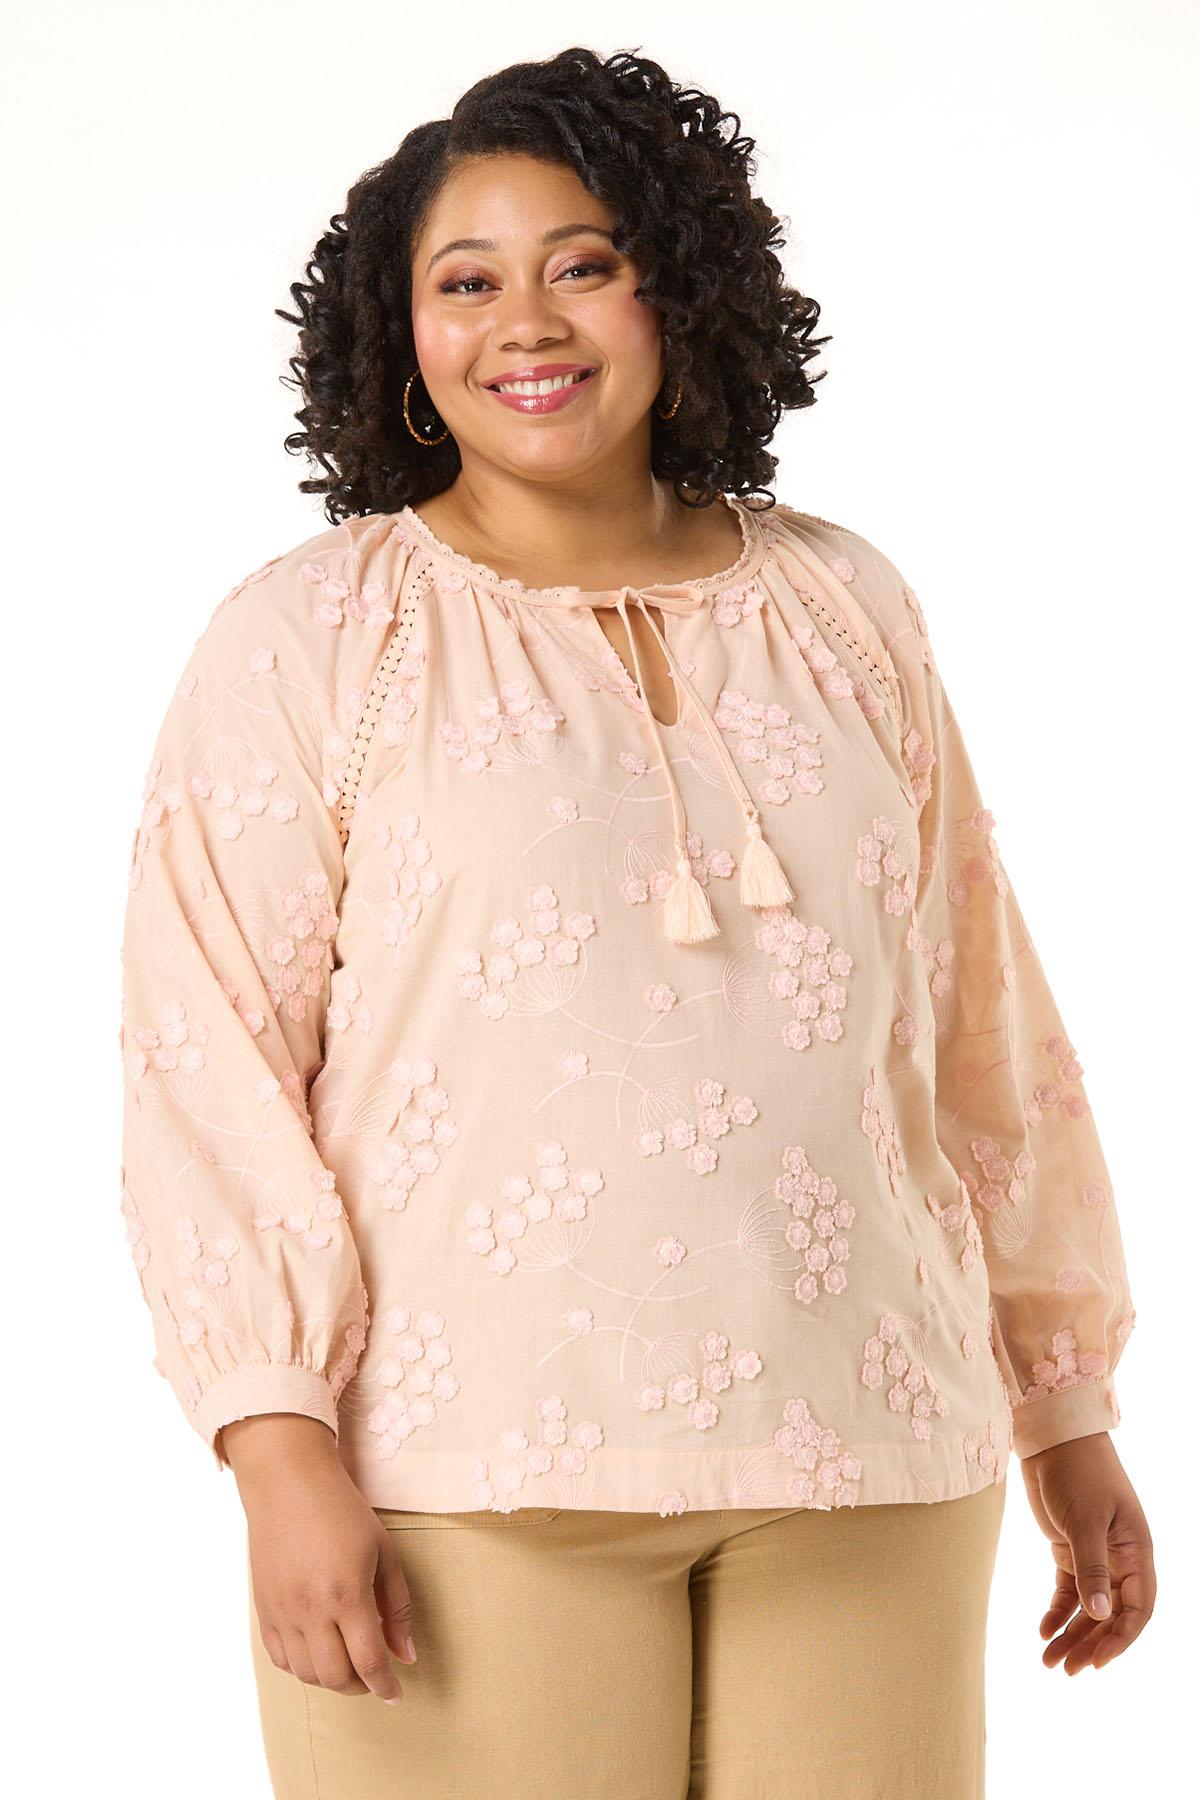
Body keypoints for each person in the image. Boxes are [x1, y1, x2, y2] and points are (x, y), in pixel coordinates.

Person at [118, 44, 1155, 1800]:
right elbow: (202, 1056)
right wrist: (275, 1446)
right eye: (468, 282)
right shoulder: (316, 639)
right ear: (401, 331)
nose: (527, 323)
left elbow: (977, 1013)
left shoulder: (843, 604)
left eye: (583, 264)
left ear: (679, 288)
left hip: (872, 1454)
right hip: (470, 1472)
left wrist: (1063, 1402)